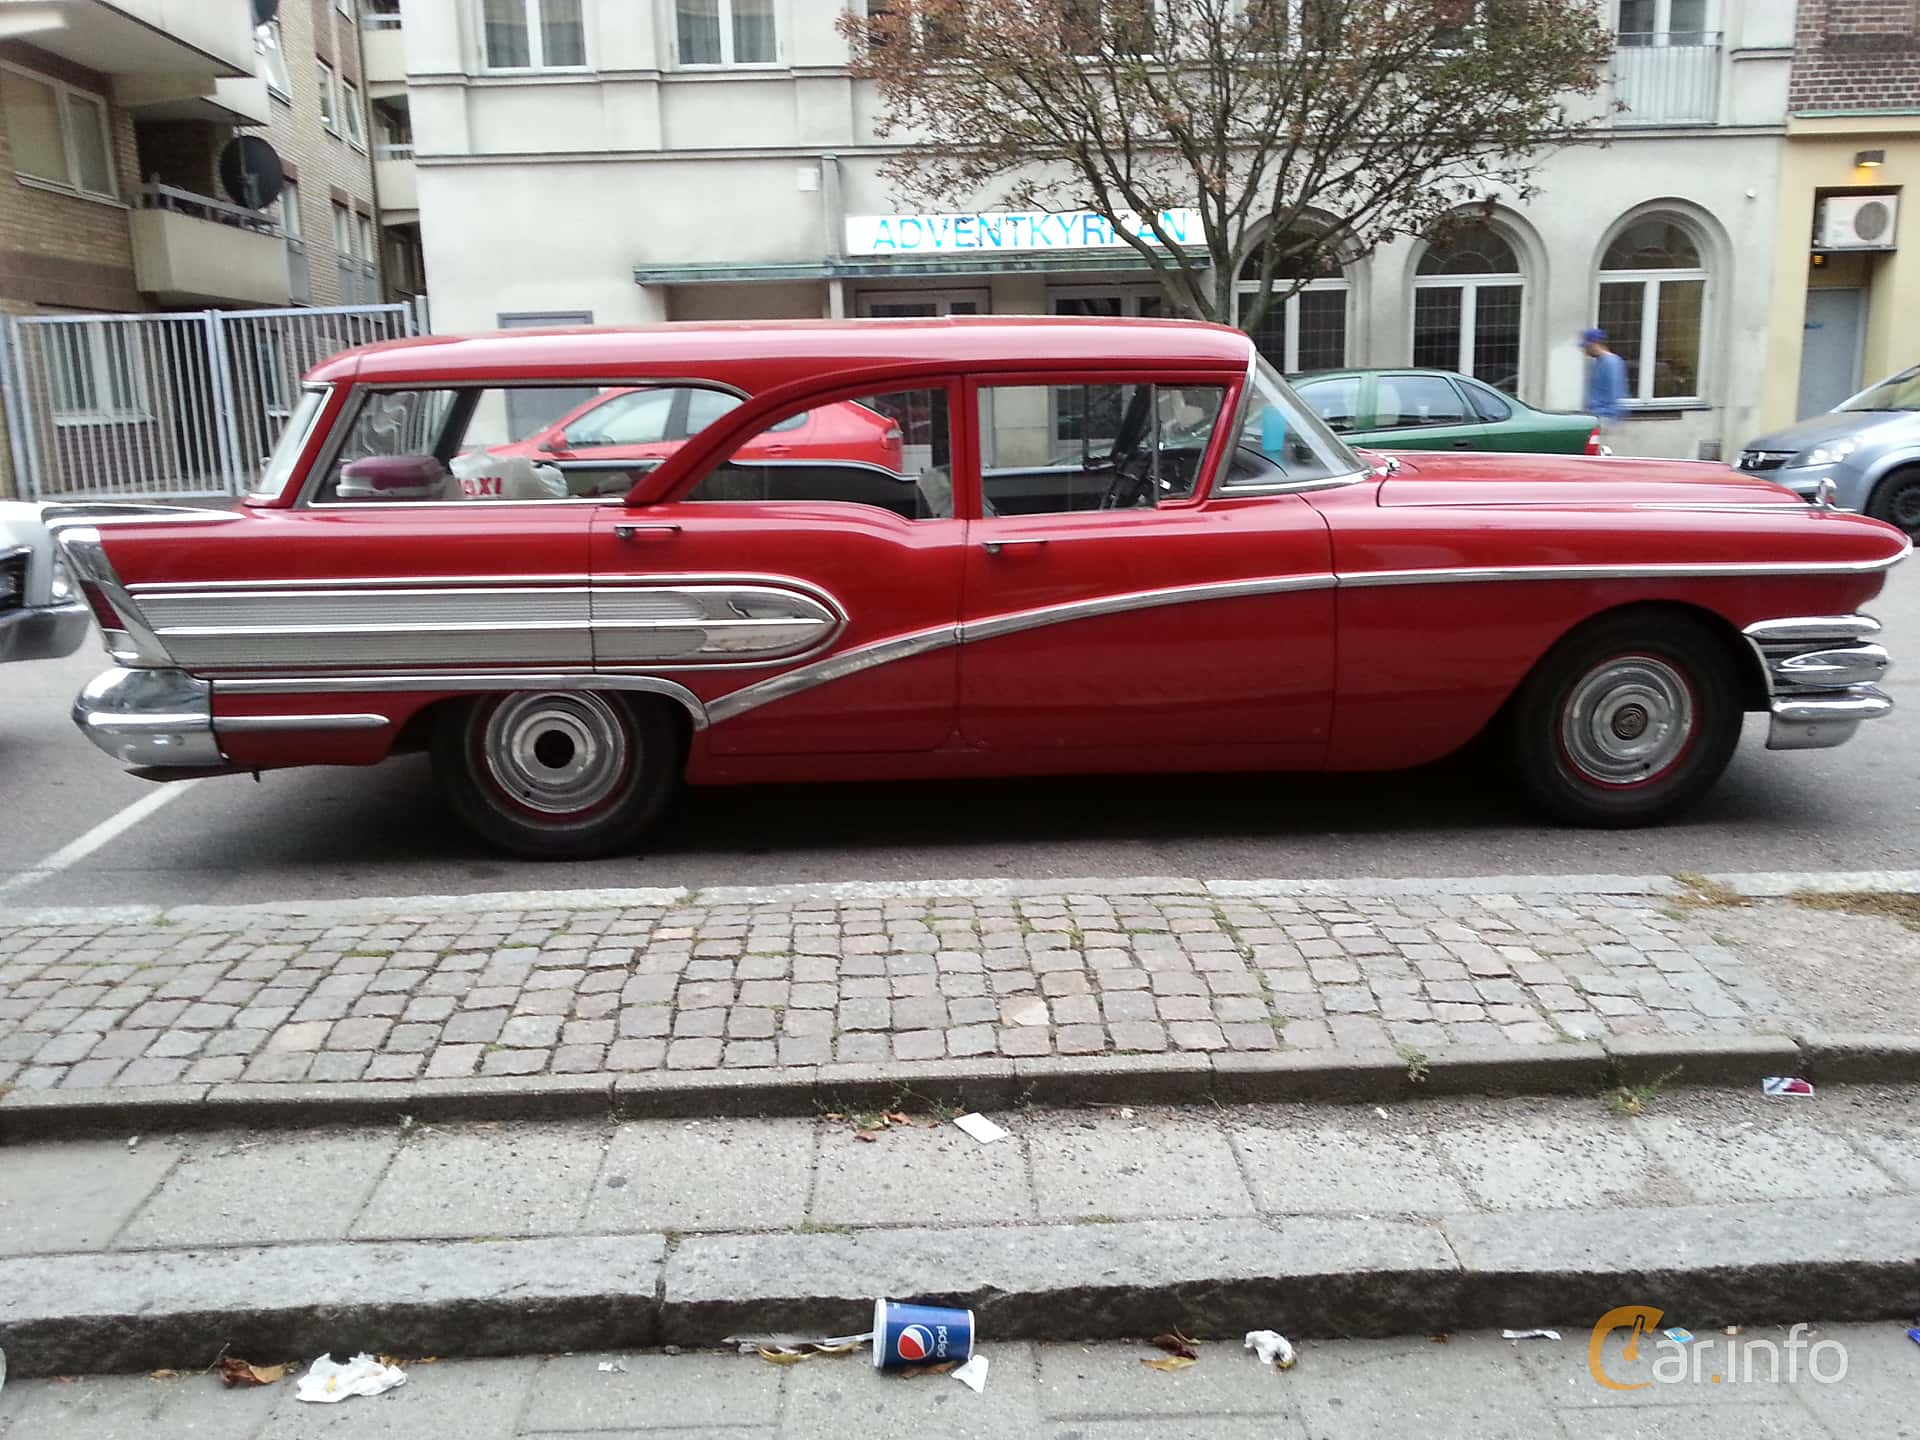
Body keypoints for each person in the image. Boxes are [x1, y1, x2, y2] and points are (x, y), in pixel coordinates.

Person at [1580, 327, 1628, 437]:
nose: (1584, 350)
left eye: (1586, 346)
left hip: (1605, 419)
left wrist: (1612, 418)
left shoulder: (1611, 362)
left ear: (1594, 344)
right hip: (1596, 417)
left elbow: (1615, 392)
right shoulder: (1598, 362)